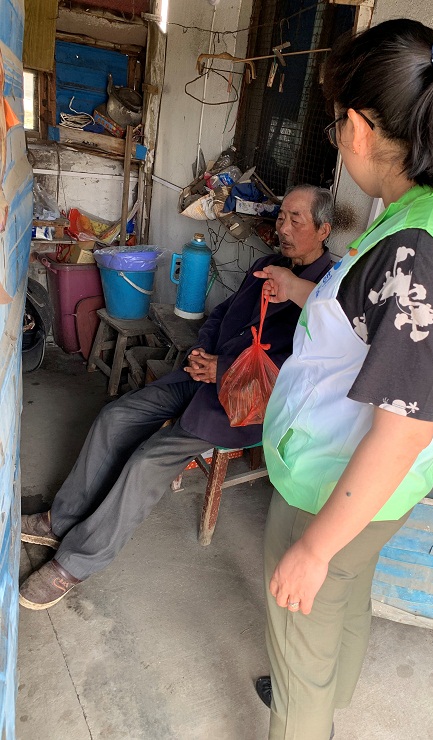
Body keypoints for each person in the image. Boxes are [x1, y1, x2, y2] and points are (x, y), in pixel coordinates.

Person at [252, 19, 433, 740]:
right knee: (344, 596)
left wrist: (313, 547)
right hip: (381, 491)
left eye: (335, 125)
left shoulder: (417, 251)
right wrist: (305, 293)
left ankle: (307, 712)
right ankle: (329, 693)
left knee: (301, 630)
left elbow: (401, 427)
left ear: (358, 126)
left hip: (336, 484)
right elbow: (373, 323)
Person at [19, 184, 335, 610]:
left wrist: (224, 369)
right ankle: (60, 520)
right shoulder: (267, 265)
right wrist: (203, 351)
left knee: (148, 460)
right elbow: (223, 314)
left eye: (297, 220)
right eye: (281, 217)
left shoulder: (327, 293)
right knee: (116, 417)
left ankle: (76, 562)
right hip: (203, 374)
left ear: (324, 229)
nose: (284, 228)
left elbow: (304, 368)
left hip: (242, 403)